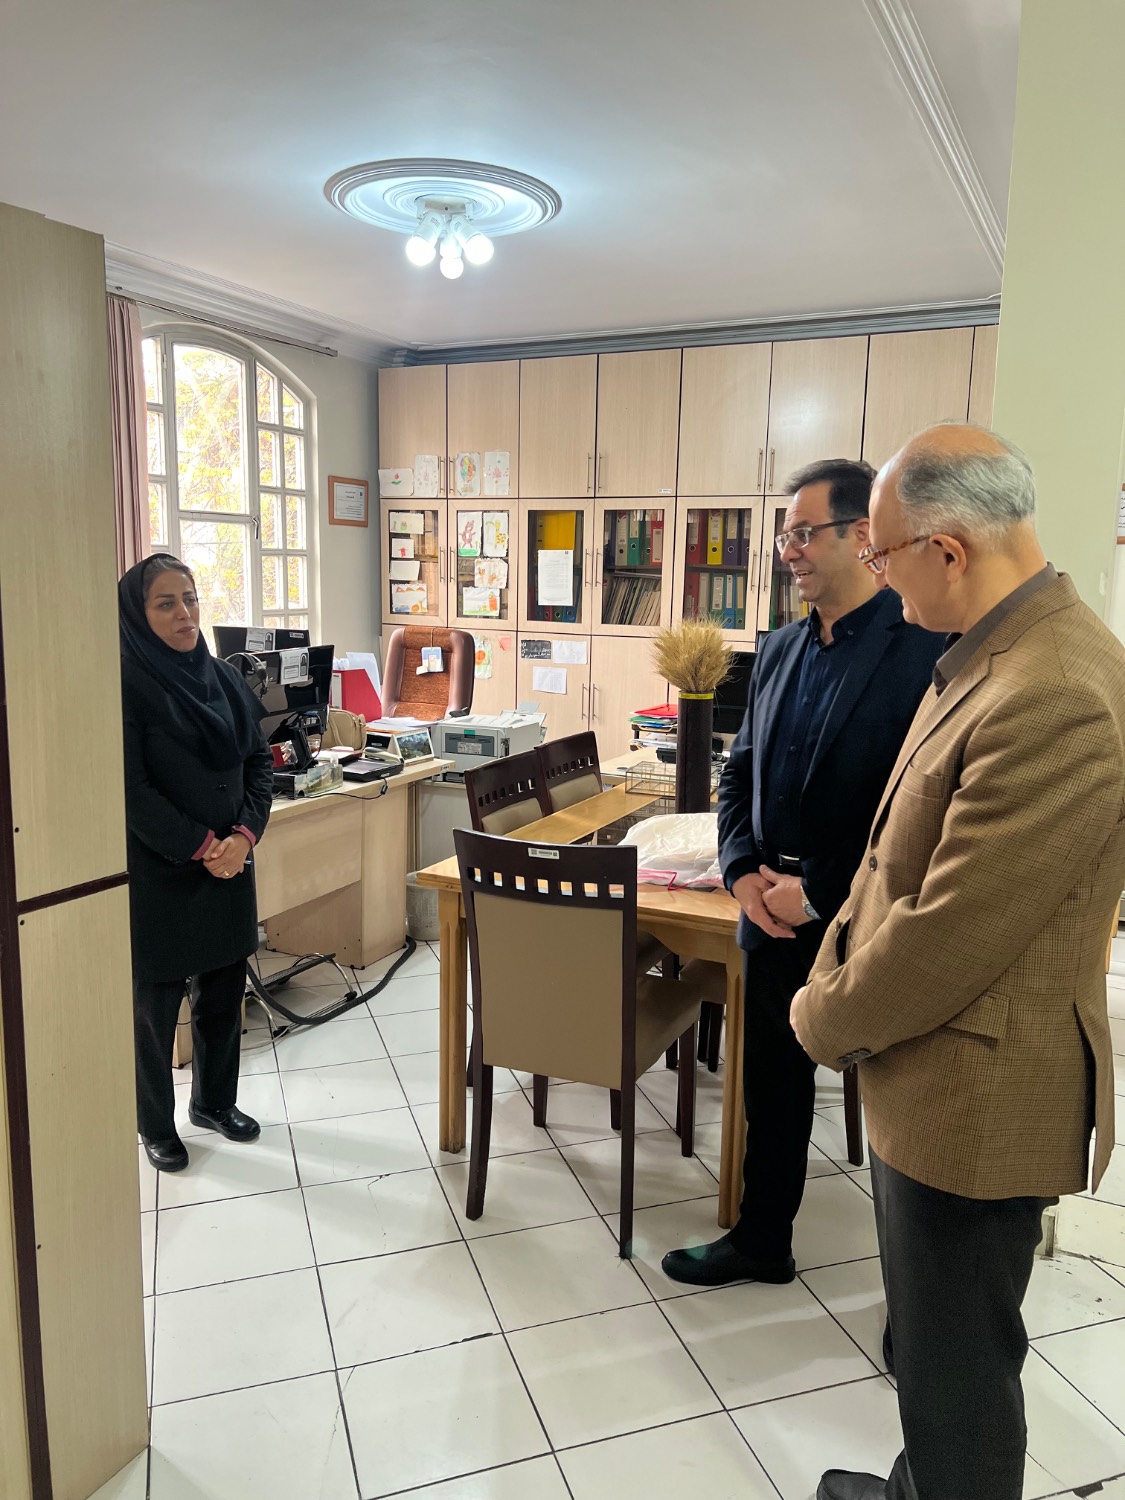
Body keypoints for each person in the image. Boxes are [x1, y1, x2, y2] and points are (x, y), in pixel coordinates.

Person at [791, 424, 1125, 1500]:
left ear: (946, 550)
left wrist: (821, 1015)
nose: (877, 575)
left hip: (977, 1091)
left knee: (958, 1372)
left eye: (882, 553)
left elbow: (949, 932)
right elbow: (895, 854)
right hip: (937, 1071)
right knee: (931, 1354)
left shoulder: (1055, 688)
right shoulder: (993, 652)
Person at [663, 460, 943, 1287]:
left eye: (800, 534)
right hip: (766, 911)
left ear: (861, 536)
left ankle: (914, 1297)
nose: (786, 551)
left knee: (895, 1099)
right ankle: (762, 1241)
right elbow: (736, 771)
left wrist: (818, 890)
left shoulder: (923, 648)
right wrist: (740, 870)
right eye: (783, 537)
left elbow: (914, 807)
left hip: (862, 916)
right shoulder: (779, 648)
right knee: (772, 1090)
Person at [120, 555, 274, 1172]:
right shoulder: (125, 683)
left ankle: (214, 1103)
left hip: (230, 865)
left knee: (222, 996)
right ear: (138, 614)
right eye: (166, 603)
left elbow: (259, 761)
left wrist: (244, 836)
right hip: (162, 872)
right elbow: (130, 790)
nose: (185, 613)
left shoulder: (222, 677)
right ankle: (155, 1125)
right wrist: (203, 846)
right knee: (155, 1013)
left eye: (190, 598)